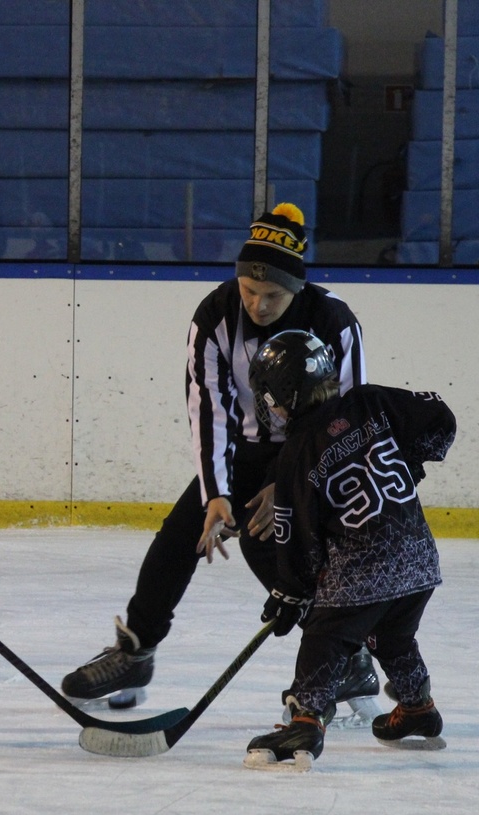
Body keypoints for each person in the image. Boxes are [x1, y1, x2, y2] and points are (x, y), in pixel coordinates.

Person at [60, 202, 381, 725]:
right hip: (247, 450)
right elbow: (208, 410)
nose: (256, 303)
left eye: (271, 294)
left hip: (321, 456)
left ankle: (346, 657)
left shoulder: (334, 321)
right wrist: (217, 495)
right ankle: (136, 650)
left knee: (273, 548)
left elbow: (346, 417)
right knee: (180, 534)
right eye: (249, 291)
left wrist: (291, 485)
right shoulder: (214, 315)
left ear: (296, 288)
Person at [240, 329, 456, 772]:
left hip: (362, 569)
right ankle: (417, 707)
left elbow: (297, 537)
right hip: (419, 559)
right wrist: (413, 461)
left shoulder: (297, 454)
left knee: (325, 634)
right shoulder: (370, 401)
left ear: (283, 396)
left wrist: (290, 593)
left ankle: (306, 720)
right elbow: (440, 416)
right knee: (392, 636)